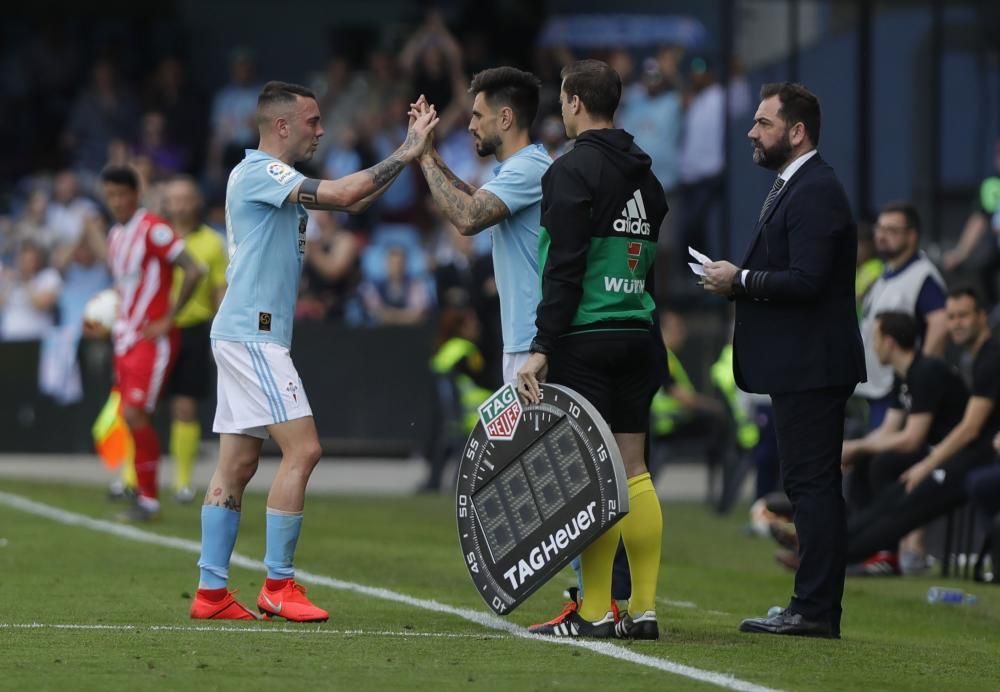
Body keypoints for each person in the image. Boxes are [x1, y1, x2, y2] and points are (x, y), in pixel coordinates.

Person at [189, 81, 437, 621]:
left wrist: (411, 152)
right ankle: (278, 584)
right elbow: (346, 196)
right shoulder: (260, 171)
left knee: (238, 464)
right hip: (252, 333)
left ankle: (210, 594)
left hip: (247, 332)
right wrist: (404, 151)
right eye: (313, 122)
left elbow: (356, 198)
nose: (321, 131)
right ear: (282, 126)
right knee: (304, 451)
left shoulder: (277, 180)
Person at [701, 82, 866, 638]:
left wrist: (739, 279)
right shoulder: (793, 185)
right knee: (806, 485)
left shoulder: (815, 189)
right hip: (803, 364)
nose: (752, 132)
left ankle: (816, 610)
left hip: (814, 365)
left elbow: (808, 280)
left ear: (796, 132)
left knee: (813, 486)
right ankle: (809, 604)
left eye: (763, 123)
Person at [517, 59, 668, 640]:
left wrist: (542, 346)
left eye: (562, 99)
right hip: (637, 333)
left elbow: (565, 267)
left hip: (586, 339)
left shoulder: (570, 170)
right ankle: (646, 610)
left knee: (594, 478)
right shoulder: (648, 180)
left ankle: (596, 612)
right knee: (635, 472)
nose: (560, 108)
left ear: (576, 102)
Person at [843, 288, 1000, 566]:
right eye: (951, 317)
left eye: (963, 315)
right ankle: (831, 547)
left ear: (982, 316)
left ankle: (838, 556)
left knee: (906, 504)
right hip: (965, 454)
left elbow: (970, 429)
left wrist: (926, 465)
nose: (956, 323)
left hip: (979, 457)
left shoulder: (989, 358)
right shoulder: (977, 358)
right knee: (893, 496)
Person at [414, 66, 550, 384]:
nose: (471, 126)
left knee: (534, 436)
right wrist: (430, 152)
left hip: (532, 341)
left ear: (505, 118)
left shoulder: (527, 169)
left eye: (477, 116)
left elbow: (468, 217)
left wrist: (422, 157)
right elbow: (476, 199)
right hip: (526, 337)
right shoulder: (522, 168)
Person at [99, 165, 204, 521]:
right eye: (109, 195)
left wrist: (170, 317)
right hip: (126, 339)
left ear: (135, 194)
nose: (115, 202)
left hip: (151, 339)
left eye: (120, 194)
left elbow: (194, 269)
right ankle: (145, 496)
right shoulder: (115, 235)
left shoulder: (153, 230)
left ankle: (149, 500)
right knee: (132, 415)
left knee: (136, 412)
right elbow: (124, 289)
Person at [841, 311, 967, 515]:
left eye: (876, 339)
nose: (873, 347)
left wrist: (856, 446)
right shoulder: (902, 376)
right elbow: (888, 430)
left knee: (883, 464)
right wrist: (855, 450)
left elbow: (912, 439)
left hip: (949, 451)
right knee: (864, 460)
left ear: (889, 342)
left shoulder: (926, 371)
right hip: (928, 448)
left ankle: (890, 537)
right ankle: (860, 529)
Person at [162, 176, 229, 504]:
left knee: (185, 406)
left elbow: (220, 290)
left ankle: (182, 483)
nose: (181, 204)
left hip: (192, 328)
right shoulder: (155, 236)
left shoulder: (213, 243)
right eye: (174, 198)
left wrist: (223, 333)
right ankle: (130, 478)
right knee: (135, 407)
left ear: (196, 202)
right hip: (154, 328)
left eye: (186, 198)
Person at [855, 202, 948, 429]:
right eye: (880, 229)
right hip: (877, 387)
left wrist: (917, 379)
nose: (882, 236)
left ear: (912, 235)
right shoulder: (886, 273)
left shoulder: (922, 277)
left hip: (898, 392)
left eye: (892, 230)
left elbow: (940, 323)